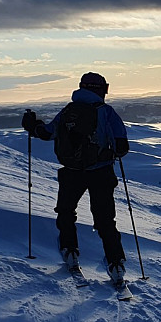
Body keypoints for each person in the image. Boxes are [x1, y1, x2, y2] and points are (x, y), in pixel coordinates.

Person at [21, 72, 130, 285]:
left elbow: (47, 133)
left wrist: (32, 125)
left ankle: (70, 250)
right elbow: (121, 147)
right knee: (105, 219)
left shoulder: (68, 112)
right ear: (100, 90)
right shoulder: (106, 112)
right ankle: (115, 264)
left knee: (66, 211)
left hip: (71, 172)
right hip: (100, 172)